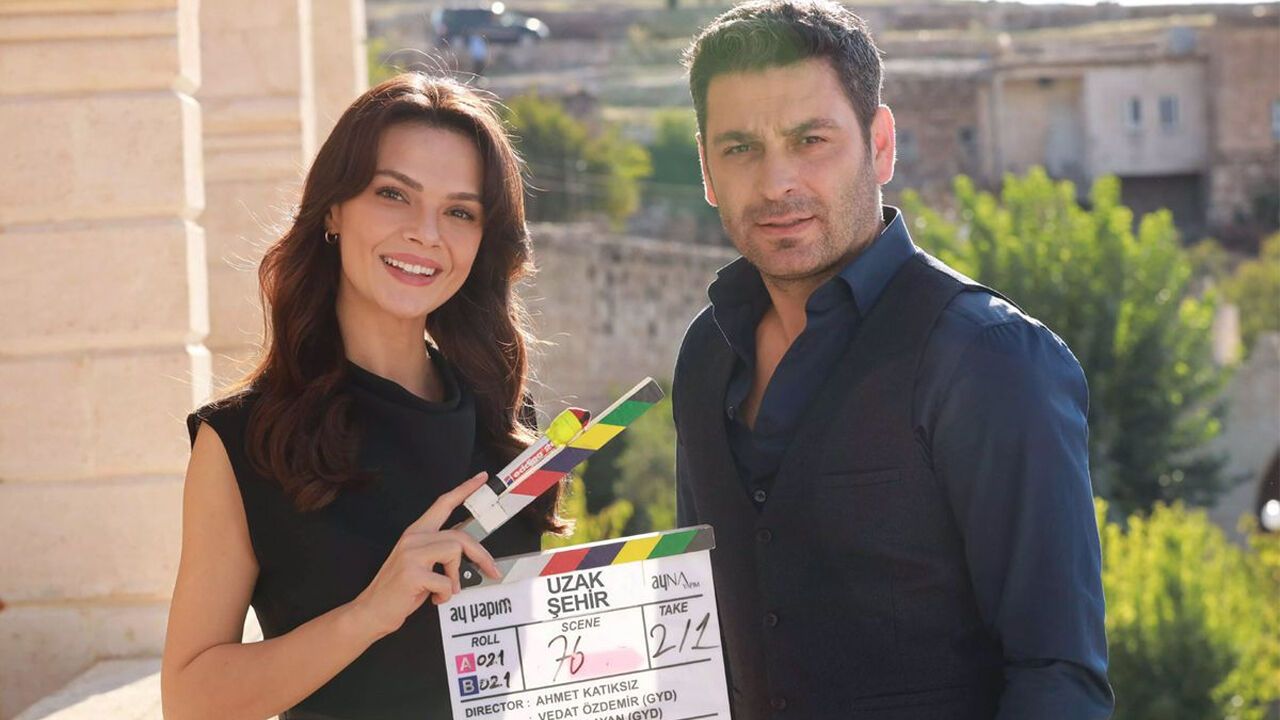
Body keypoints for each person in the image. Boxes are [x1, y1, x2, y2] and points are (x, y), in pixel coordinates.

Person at [671, 2, 1114, 718]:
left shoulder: (988, 359)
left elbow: (1056, 677)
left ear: (880, 145)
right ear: (707, 169)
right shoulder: (705, 354)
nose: (777, 182)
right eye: (741, 148)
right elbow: (697, 639)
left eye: (810, 140)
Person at [161, 73, 561, 719]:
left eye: (460, 211)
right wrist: (369, 614)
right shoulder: (243, 441)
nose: (426, 233)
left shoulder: (509, 424)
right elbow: (189, 702)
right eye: (393, 194)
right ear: (333, 210)